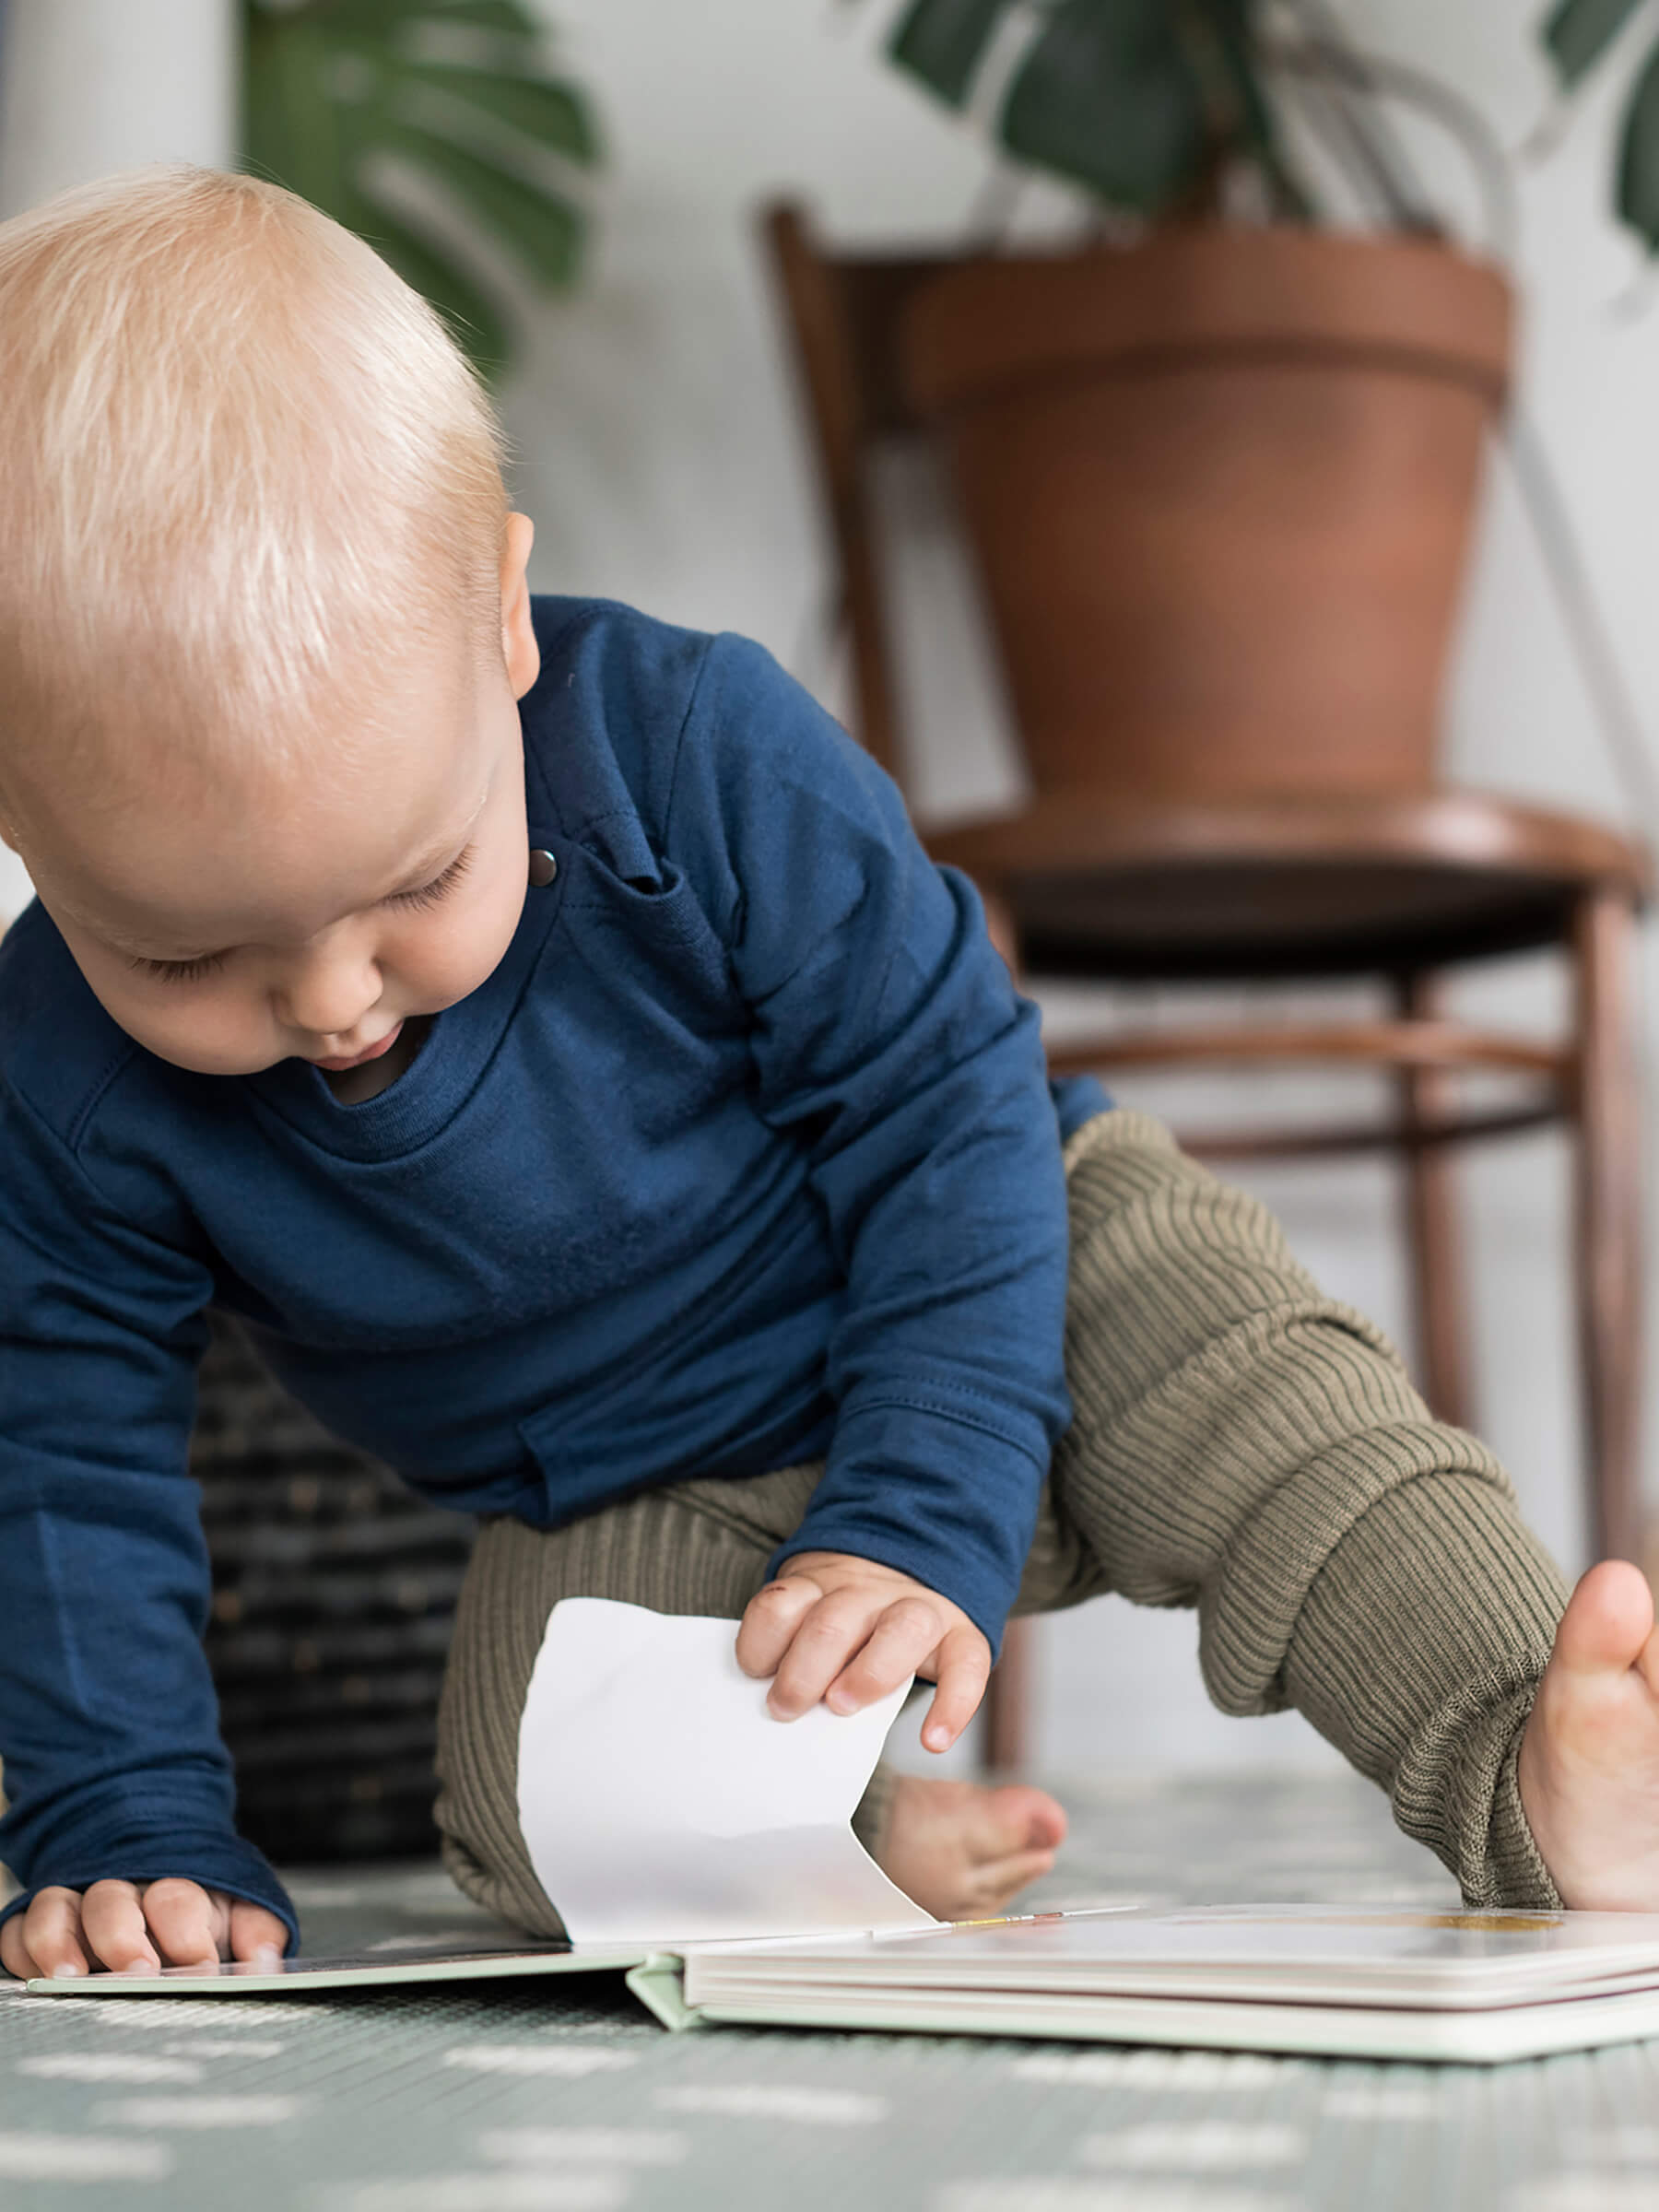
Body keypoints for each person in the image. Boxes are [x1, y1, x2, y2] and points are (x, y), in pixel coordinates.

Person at [0, 168, 1653, 1984]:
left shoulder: (693, 759)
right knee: (534, 1788)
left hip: (1001, 1267)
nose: (330, 1001)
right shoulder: (59, 1088)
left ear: (502, 621)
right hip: (656, 1493)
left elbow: (945, 1101)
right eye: (180, 953)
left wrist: (919, 1512)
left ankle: (1538, 1756)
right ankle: (846, 1841)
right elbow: (63, 1455)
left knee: (1285, 1425)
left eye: (412, 886)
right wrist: (123, 1818)